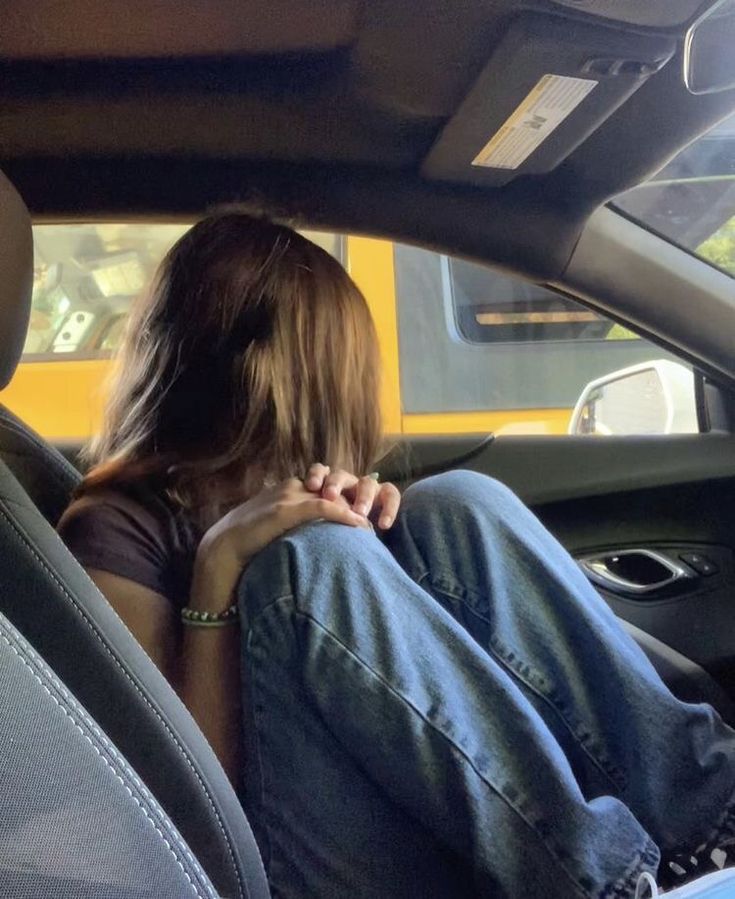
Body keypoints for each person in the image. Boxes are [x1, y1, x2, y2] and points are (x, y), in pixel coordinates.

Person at [58, 211, 735, 898]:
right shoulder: (113, 526)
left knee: (456, 503)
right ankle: (606, 884)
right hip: (254, 862)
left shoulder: (299, 492)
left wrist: (379, 534)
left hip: (364, 810)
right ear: (291, 376)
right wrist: (221, 565)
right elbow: (173, 798)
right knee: (312, 562)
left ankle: (712, 817)